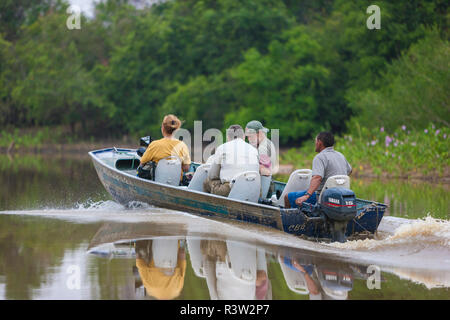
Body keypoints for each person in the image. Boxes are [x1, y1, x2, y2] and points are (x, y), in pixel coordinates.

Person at [284, 131, 352, 208]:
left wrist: (306, 196)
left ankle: (290, 219)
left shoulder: (320, 157)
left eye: (315, 141)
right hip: (341, 196)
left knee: (287, 197)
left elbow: (317, 178)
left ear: (319, 142)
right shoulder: (340, 155)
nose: (315, 143)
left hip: (323, 197)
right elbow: (349, 171)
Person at [203, 125, 259, 197]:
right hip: (252, 190)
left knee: (207, 182)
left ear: (228, 137)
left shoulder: (222, 148)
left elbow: (212, 175)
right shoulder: (254, 150)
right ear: (244, 136)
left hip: (229, 189)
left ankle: (209, 206)